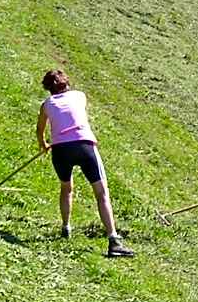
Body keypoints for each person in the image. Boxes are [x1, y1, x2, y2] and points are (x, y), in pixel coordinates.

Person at [36, 70, 134, 258]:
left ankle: (66, 227)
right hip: (84, 145)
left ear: (48, 88)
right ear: (67, 83)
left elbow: (40, 128)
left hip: (60, 150)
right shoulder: (79, 96)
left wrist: (43, 144)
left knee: (66, 188)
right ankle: (113, 240)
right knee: (101, 193)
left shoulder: (46, 104)